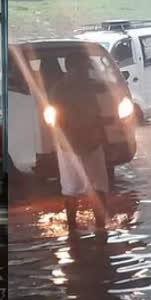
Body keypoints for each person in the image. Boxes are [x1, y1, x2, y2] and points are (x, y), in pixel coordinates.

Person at [48, 52, 109, 229]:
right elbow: (57, 120)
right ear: (71, 68)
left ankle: (98, 225)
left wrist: (102, 136)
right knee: (72, 189)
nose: (85, 72)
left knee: (96, 187)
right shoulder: (60, 91)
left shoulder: (82, 88)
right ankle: (76, 228)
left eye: (86, 69)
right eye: (82, 68)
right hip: (72, 145)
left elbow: (97, 115)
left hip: (87, 143)